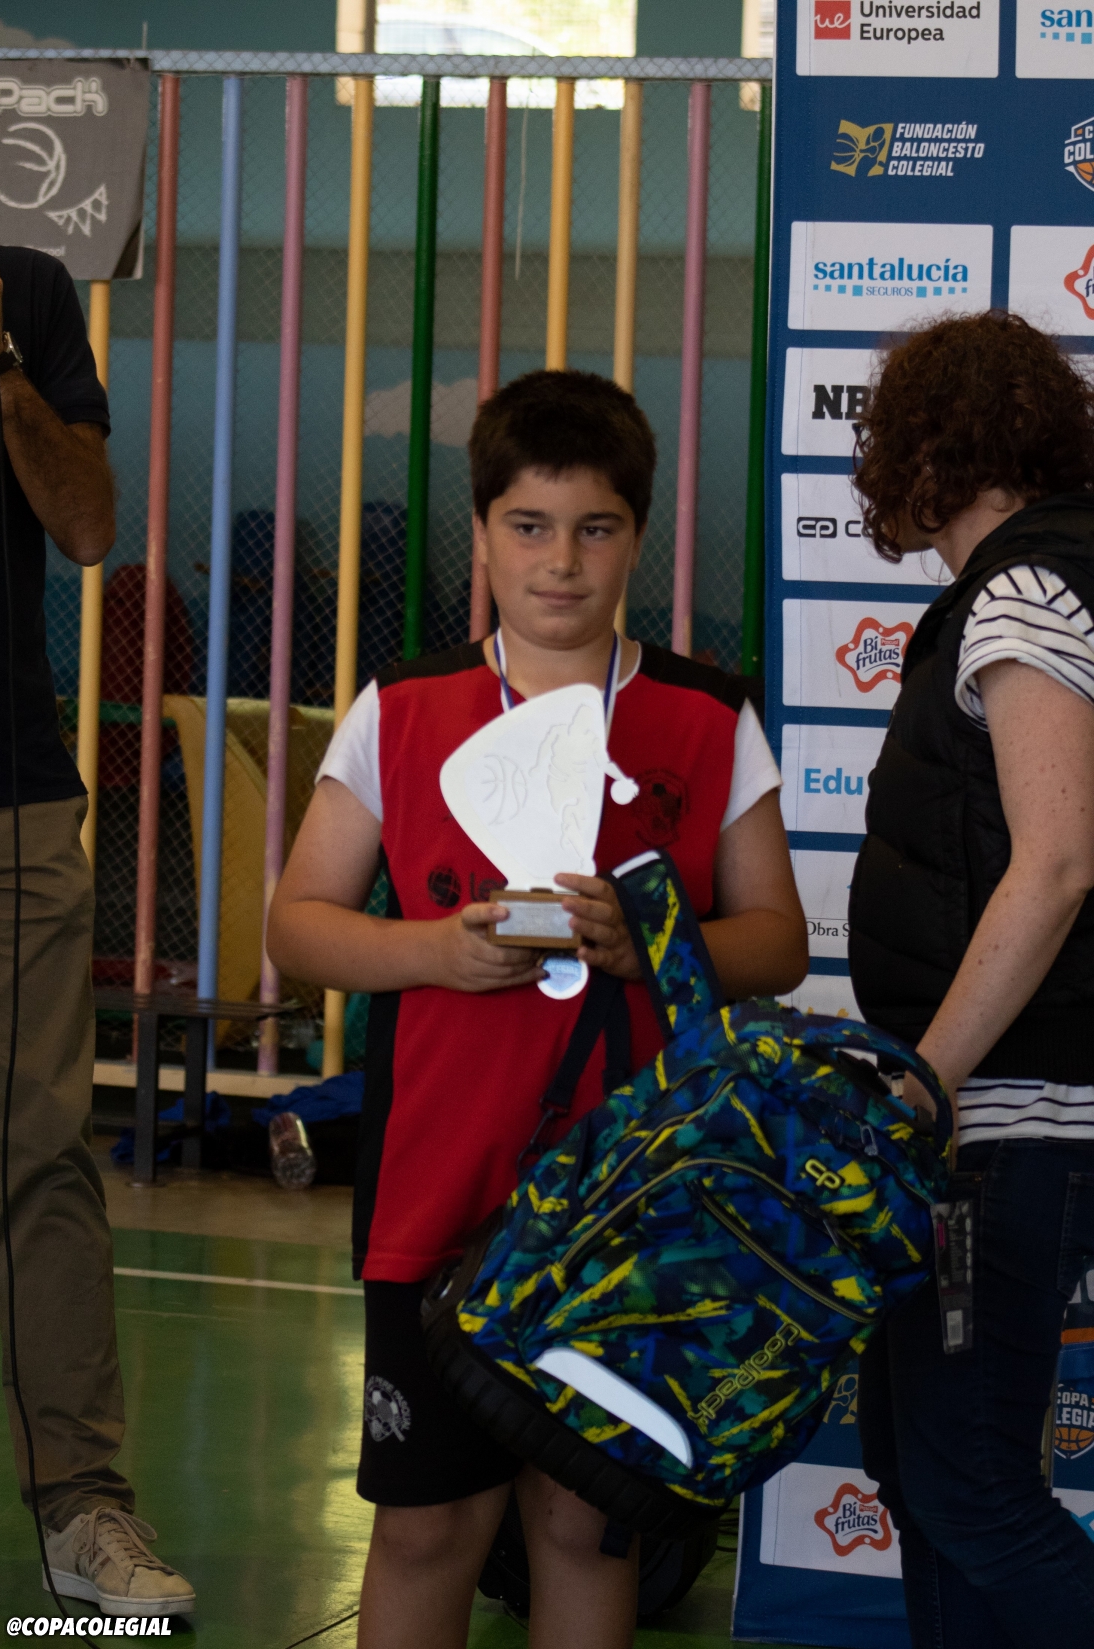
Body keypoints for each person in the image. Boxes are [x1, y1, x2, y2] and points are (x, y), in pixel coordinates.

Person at [268, 368, 808, 1649]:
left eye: (593, 527)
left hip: (632, 1195)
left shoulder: (705, 714)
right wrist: (432, 951)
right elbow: (297, 923)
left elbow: (778, 939)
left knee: (582, 1523)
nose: (560, 561)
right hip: (434, 1185)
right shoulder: (399, 709)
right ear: (480, 532)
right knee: (425, 1526)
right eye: (528, 524)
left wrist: (654, 943)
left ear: (636, 533)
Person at [848, 311, 1094, 1646]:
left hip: (1011, 1121)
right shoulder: (1043, 579)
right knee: (924, 1470)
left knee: (969, 1481)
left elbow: (1052, 866)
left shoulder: (1024, 595)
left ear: (922, 450)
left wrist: (924, 1083)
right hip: (1001, 1122)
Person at [0, 247, 195, 1615]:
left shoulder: (26, 294)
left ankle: (80, 1505)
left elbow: (86, 526)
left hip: (8, 799)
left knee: (40, 1152)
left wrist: (1, 370)